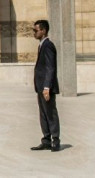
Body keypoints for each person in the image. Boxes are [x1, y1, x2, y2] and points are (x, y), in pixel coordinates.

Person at [31, 20, 60, 152]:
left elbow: (50, 68)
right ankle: (46, 140)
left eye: (36, 30)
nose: (34, 33)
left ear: (43, 31)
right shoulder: (41, 46)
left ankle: (55, 140)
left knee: (50, 113)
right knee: (43, 114)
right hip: (40, 87)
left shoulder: (48, 45)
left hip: (46, 87)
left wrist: (47, 87)